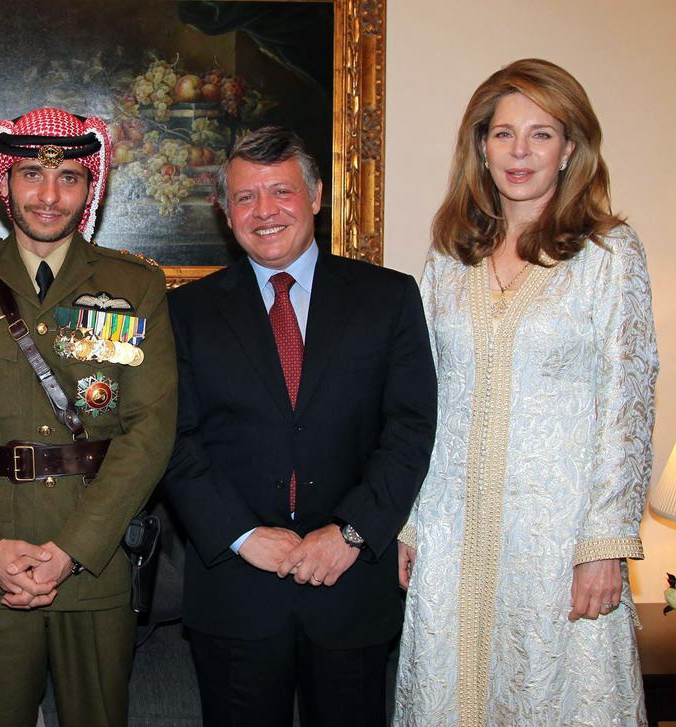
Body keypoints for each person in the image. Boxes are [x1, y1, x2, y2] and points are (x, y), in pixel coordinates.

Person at [394, 58, 658, 726]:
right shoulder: (448, 258)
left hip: (558, 540)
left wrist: (604, 544)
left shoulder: (608, 253)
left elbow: (628, 402)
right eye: (503, 133)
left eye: (541, 134)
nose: (520, 152)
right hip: (453, 535)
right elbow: (422, 401)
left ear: (571, 148)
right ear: (479, 146)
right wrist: (413, 522)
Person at [0, 106, 177, 727]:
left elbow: (150, 428)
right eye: (31, 174)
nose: (49, 196)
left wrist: (73, 550)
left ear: (91, 187)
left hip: (94, 559)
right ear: (5, 181)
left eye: (69, 179)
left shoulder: (132, 285)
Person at [163, 126, 437, 726]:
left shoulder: (388, 299)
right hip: (235, 591)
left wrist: (353, 533)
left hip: (349, 588)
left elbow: (409, 430)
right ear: (224, 210)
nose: (264, 212)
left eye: (281, 191)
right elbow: (173, 442)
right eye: (245, 197)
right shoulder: (185, 312)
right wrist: (241, 535)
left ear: (315, 197)